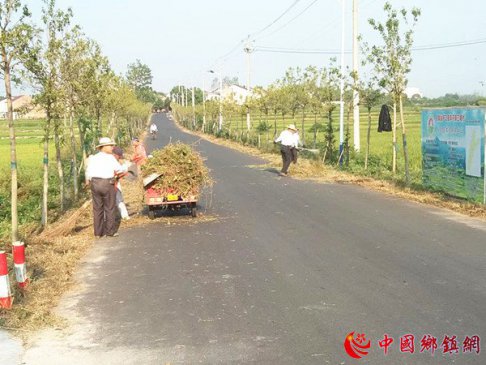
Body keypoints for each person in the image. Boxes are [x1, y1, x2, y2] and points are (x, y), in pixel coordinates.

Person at [86, 137, 123, 238]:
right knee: (110, 208)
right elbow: (119, 170)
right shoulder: (110, 158)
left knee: (97, 209)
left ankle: (98, 233)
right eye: (110, 146)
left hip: (95, 184)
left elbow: (88, 173)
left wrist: (88, 181)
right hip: (107, 184)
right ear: (104, 147)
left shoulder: (93, 158)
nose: (112, 147)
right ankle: (110, 231)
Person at [112, 146, 130, 220]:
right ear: (115, 155)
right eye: (119, 157)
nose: (119, 158)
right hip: (109, 184)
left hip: (114, 183)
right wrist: (125, 167)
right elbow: (119, 171)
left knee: (119, 199)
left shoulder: (114, 161)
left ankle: (124, 215)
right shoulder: (111, 161)